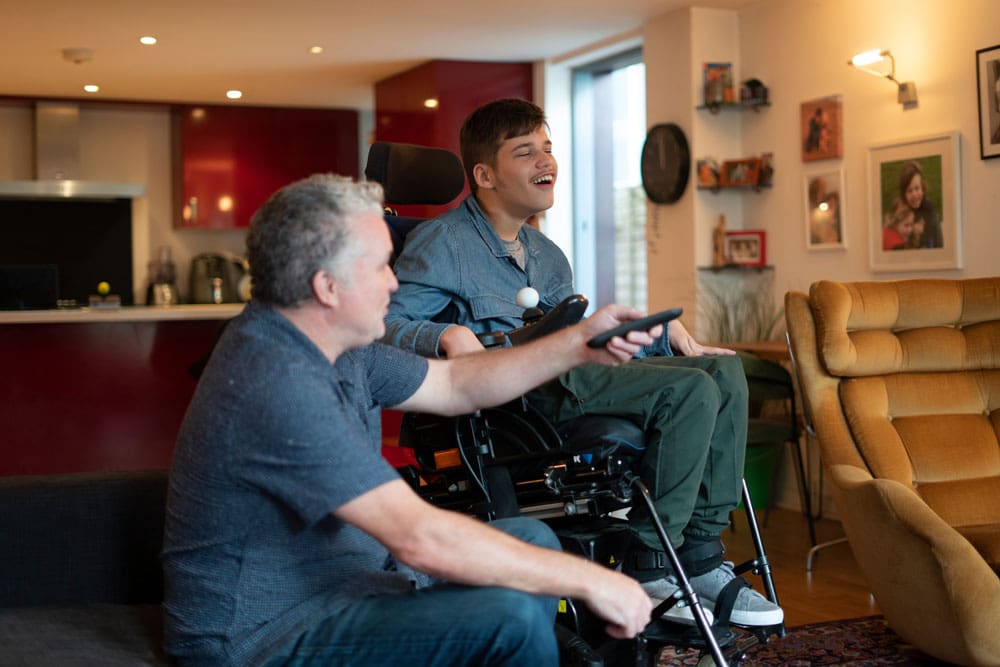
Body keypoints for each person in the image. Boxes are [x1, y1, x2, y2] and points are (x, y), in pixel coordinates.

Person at [161, 174, 658, 667]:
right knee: (512, 618)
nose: (395, 282)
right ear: (327, 287)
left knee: (532, 541)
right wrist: (593, 579)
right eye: (380, 266)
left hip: (353, 586)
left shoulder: (339, 348)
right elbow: (418, 538)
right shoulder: (273, 380)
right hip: (267, 634)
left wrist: (578, 345)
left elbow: (457, 385)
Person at [383, 98, 784, 628]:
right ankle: (648, 560)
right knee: (688, 392)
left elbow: (575, 338)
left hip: (568, 374)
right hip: (516, 398)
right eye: (525, 152)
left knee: (723, 372)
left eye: (547, 148)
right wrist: (447, 334)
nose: (545, 160)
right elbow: (383, 324)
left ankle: (701, 553)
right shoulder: (441, 242)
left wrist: (657, 334)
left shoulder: (546, 253)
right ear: (484, 175)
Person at [898, 160, 942, 248]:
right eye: (909, 191)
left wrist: (923, 232)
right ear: (904, 194)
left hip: (926, 247)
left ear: (922, 189)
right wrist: (912, 231)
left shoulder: (927, 207)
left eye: (917, 188)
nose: (914, 194)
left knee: (935, 221)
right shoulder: (901, 211)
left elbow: (931, 236)